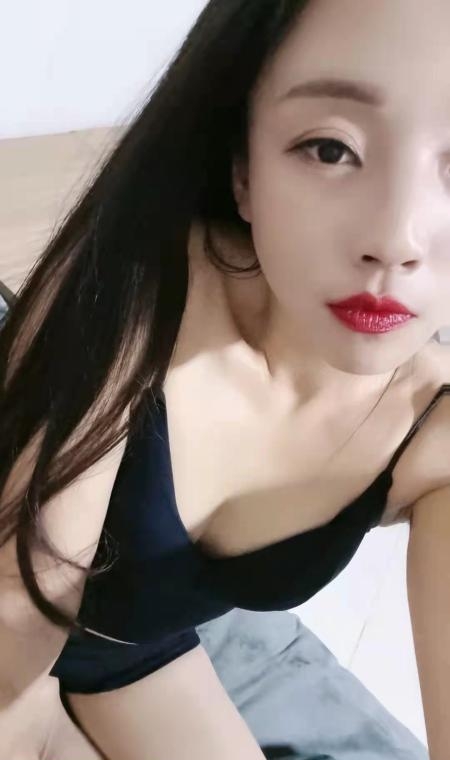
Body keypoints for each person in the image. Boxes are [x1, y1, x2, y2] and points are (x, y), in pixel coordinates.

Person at [0, 0, 449, 757]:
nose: (394, 239)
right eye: (330, 149)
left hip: (131, 657)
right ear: (244, 171)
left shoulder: (432, 433)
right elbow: (12, 661)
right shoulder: (139, 284)